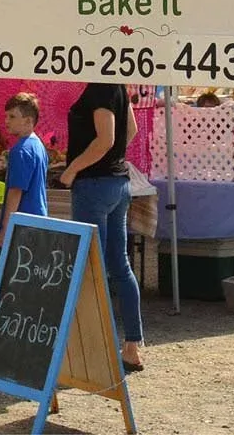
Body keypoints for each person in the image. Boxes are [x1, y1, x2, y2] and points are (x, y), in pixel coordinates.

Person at [61, 82, 146, 373]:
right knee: (118, 265)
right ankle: (131, 346)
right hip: (117, 183)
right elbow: (128, 131)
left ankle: (95, 349)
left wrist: (73, 168)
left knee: (91, 268)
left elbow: (106, 139)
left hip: (94, 185)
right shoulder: (118, 86)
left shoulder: (101, 86)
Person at [1, 92, 50, 227]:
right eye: (6, 116)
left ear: (28, 120)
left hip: (23, 224)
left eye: (12, 116)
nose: (6, 121)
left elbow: (15, 191)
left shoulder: (21, 150)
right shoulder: (38, 145)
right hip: (38, 219)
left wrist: (6, 228)